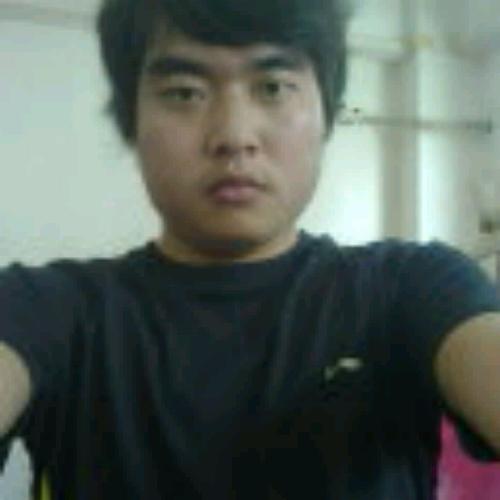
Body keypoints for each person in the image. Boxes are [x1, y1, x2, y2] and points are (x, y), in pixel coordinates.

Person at [0, 0, 498, 498]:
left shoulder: (413, 288)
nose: (234, 136)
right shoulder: (47, 310)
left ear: (326, 114)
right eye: (184, 92)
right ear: (132, 121)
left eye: (273, 87)